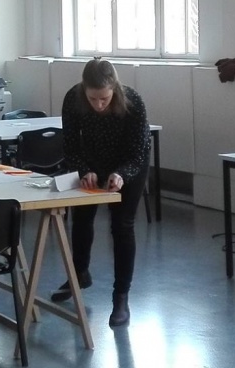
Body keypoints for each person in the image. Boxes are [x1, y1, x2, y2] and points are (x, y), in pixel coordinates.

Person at [50, 58, 151, 327]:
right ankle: (79, 274)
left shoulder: (133, 102)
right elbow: (71, 145)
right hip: (92, 160)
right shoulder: (73, 98)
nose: (98, 105)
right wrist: (85, 170)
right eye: (93, 99)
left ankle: (121, 297)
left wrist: (121, 175)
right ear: (84, 89)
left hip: (128, 164)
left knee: (122, 225)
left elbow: (137, 152)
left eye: (104, 99)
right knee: (82, 218)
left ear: (114, 89)